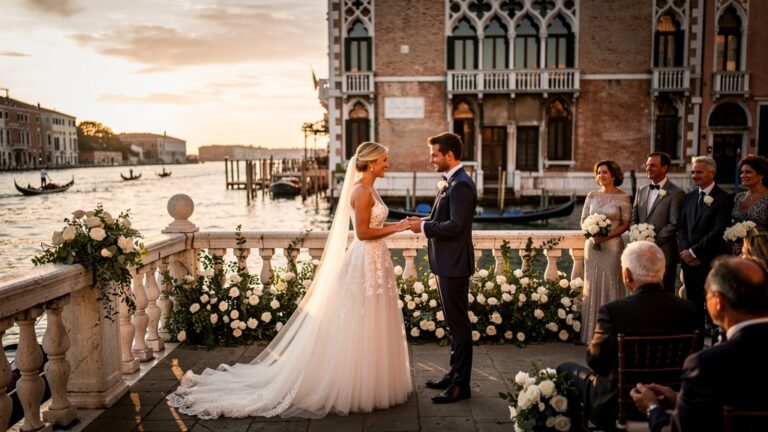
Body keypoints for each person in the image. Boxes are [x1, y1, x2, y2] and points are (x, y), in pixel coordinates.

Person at [167, 142, 413, 418]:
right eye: (384, 160)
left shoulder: (370, 188)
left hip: (375, 260)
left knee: (372, 317)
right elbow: (364, 233)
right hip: (365, 259)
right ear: (370, 163)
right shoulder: (361, 191)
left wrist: (397, 226)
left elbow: (372, 229)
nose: (387, 164)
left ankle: (372, 379)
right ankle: (354, 382)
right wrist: (400, 227)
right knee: (358, 318)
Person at [557, 241, 697, 431]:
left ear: (627, 275)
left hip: (618, 405)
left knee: (565, 369)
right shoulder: (689, 310)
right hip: (671, 400)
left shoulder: (613, 312)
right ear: (662, 272)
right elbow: (694, 361)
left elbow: (596, 362)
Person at [631, 257, 768, 432]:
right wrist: (681, 399)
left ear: (718, 302)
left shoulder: (707, 365)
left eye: (707, 294)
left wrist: (652, 407)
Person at [407, 132, 477, 404]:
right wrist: (421, 221)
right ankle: (454, 374)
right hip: (446, 263)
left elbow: (457, 226)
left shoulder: (461, 185)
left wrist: (423, 227)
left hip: (455, 265)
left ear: (450, 155)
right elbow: (442, 219)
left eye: (435, 154)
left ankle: (461, 385)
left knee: (459, 326)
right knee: (453, 324)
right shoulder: (451, 182)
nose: (431, 158)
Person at [678, 156, 733, 339]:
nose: (695, 175)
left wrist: (695, 251)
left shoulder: (724, 199)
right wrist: (686, 252)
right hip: (689, 263)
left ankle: (717, 347)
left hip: (710, 260)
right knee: (693, 307)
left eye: (699, 172)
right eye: (693, 172)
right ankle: (696, 347)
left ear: (712, 173)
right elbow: (682, 227)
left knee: (715, 306)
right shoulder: (689, 197)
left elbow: (718, 230)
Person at [580, 160, 631, 344]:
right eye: (599, 172)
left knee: (611, 282)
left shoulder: (624, 197)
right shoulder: (591, 196)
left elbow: (626, 223)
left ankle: (611, 335)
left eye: (605, 172)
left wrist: (607, 235)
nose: (601, 175)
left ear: (614, 175)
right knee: (591, 284)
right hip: (592, 247)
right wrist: (591, 232)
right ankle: (590, 334)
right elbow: (584, 220)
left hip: (612, 247)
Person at [631, 152, 685, 292]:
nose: (648, 168)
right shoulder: (641, 190)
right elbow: (634, 218)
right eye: (647, 165)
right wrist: (638, 238)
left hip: (664, 253)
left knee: (665, 293)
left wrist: (653, 241)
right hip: (642, 254)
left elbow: (675, 223)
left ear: (664, 168)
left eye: (653, 165)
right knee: (642, 292)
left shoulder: (676, 192)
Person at [729, 155, 768, 254]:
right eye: (742, 172)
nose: (743, 175)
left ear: (761, 175)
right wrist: (735, 243)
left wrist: (752, 244)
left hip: (761, 253)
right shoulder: (739, 197)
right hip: (737, 253)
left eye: (748, 172)